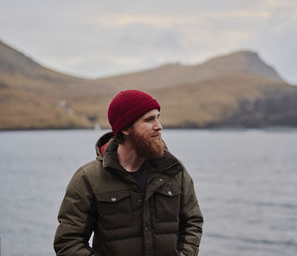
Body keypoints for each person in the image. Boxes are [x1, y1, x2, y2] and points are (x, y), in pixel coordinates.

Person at [54, 90, 203, 256]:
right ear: (125, 128)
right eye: (149, 119)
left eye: (157, 117)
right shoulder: (88, 178)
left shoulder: (174, 170)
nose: (158, 126)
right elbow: (68, 242)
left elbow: (192, 223)